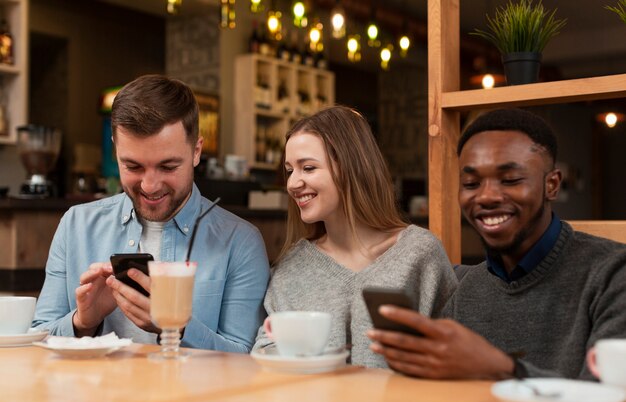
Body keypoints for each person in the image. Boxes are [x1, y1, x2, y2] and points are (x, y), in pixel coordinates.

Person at [367, 108, 626, 379]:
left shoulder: (613, 274)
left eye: (510, 180)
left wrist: (500, 368)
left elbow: (609, 401)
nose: (487, 196)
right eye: (471, 183)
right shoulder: (468, 288)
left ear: (551, 185)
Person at [33, 74, 270, 352]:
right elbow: (39, 339)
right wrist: (83, 321)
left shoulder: (240, 242)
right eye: (133, 167)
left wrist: (176, 326)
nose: (149, 186)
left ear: (196, 151)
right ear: (116, 151)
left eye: (168, 167)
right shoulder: (76, 225)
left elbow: (245, 360)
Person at [253, 105, 458, 367]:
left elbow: (457, 352)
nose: (293, 183)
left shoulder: (419, 253)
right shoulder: (291, 269)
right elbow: (265, 353)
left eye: (308, 168)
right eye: (290, 170)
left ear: (350, 167)